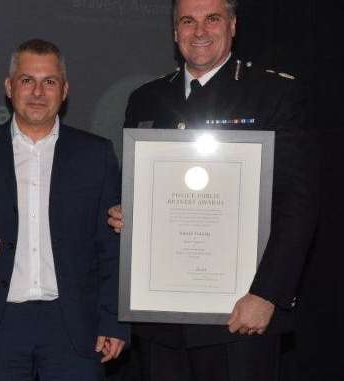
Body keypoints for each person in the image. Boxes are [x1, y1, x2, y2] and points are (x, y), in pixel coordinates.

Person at [107, 0, 318, 380]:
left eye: (212, 19)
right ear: (175, 32)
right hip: (162, 318)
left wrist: (268, 293)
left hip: (241, 316)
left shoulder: (273, 93)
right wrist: (132, 213)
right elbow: (147, 189)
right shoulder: (146, 98)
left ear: (233, 26)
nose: (199, 31)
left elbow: (298, 204)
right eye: (188, 21)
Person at [0, 38, 129, 380]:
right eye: (27, 80)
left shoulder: (96, 155)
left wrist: (113, 320)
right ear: (10, 87)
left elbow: (111, 246)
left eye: (49, 82)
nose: (38, 92)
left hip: (74, 328)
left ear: (64, 90)